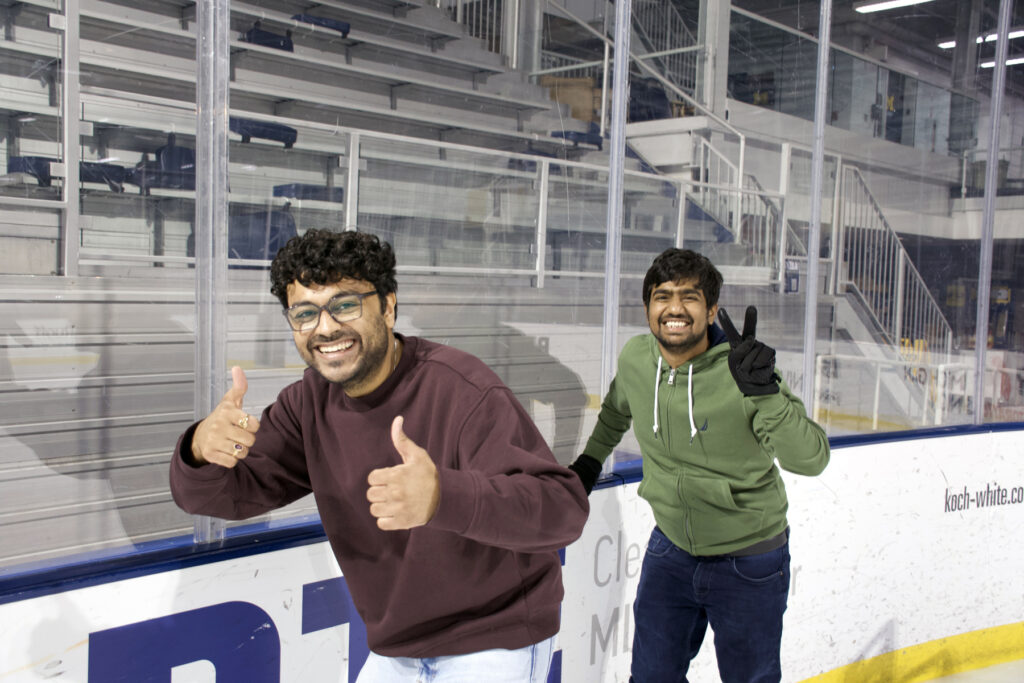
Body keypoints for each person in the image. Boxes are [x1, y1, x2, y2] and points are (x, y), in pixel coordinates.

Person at [170, 229, 589, 682]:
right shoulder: (306, 404)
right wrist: (200, 450)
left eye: (345, 305)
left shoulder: (462, 390)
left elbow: (563, 510)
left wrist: (443, 497)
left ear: (388, 307)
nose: (325, 328)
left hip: (493, 635)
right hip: (398, 648)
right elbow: (221, 497)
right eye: (305, 313)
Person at [569, 248, 829, 683]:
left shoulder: (745, 373)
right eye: (662, 296)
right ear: (648, 308)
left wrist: (766, 394)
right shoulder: (636, 358)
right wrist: (590, 462)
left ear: (711, 311)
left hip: (749, 558)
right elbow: (616, 411)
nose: (674, 308)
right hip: (671, 550)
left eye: (689, 297)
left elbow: (811, 459)